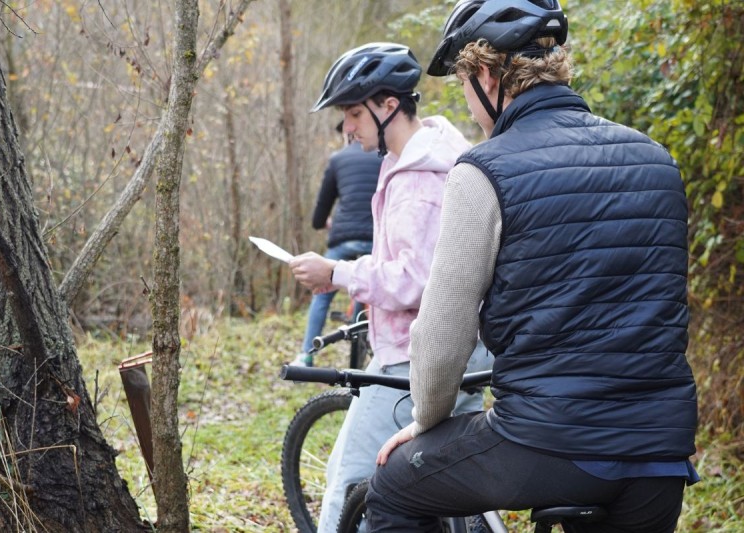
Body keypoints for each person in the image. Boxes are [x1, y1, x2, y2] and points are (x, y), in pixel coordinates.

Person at [367, 1, 699, 532]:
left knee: (392, 487)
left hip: (549, 442)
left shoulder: (484, 170)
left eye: (463, 88)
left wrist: (426, 422)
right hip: (661, 455)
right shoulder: (657, 159)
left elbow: (441, 330)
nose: (472, 112)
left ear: (483, 74)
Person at [288, 42, 492, 532]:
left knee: (349, 484)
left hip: (414, 357)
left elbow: (414, 281)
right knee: (432, 489)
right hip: (458, 350)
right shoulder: (433, 157)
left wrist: (335, 273)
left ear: (389, 106)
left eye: (354, 113)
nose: (347, 128)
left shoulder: (418, 180)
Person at [291, 122, 381, 367]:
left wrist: (330, 223)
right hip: (376, 240)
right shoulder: (386, 157)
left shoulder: (337, 159)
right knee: (372, 289)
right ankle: (371, 353)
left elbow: (318, 218)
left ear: (346, 134)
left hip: (343, 240)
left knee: (322, 293)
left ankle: (306, 354)